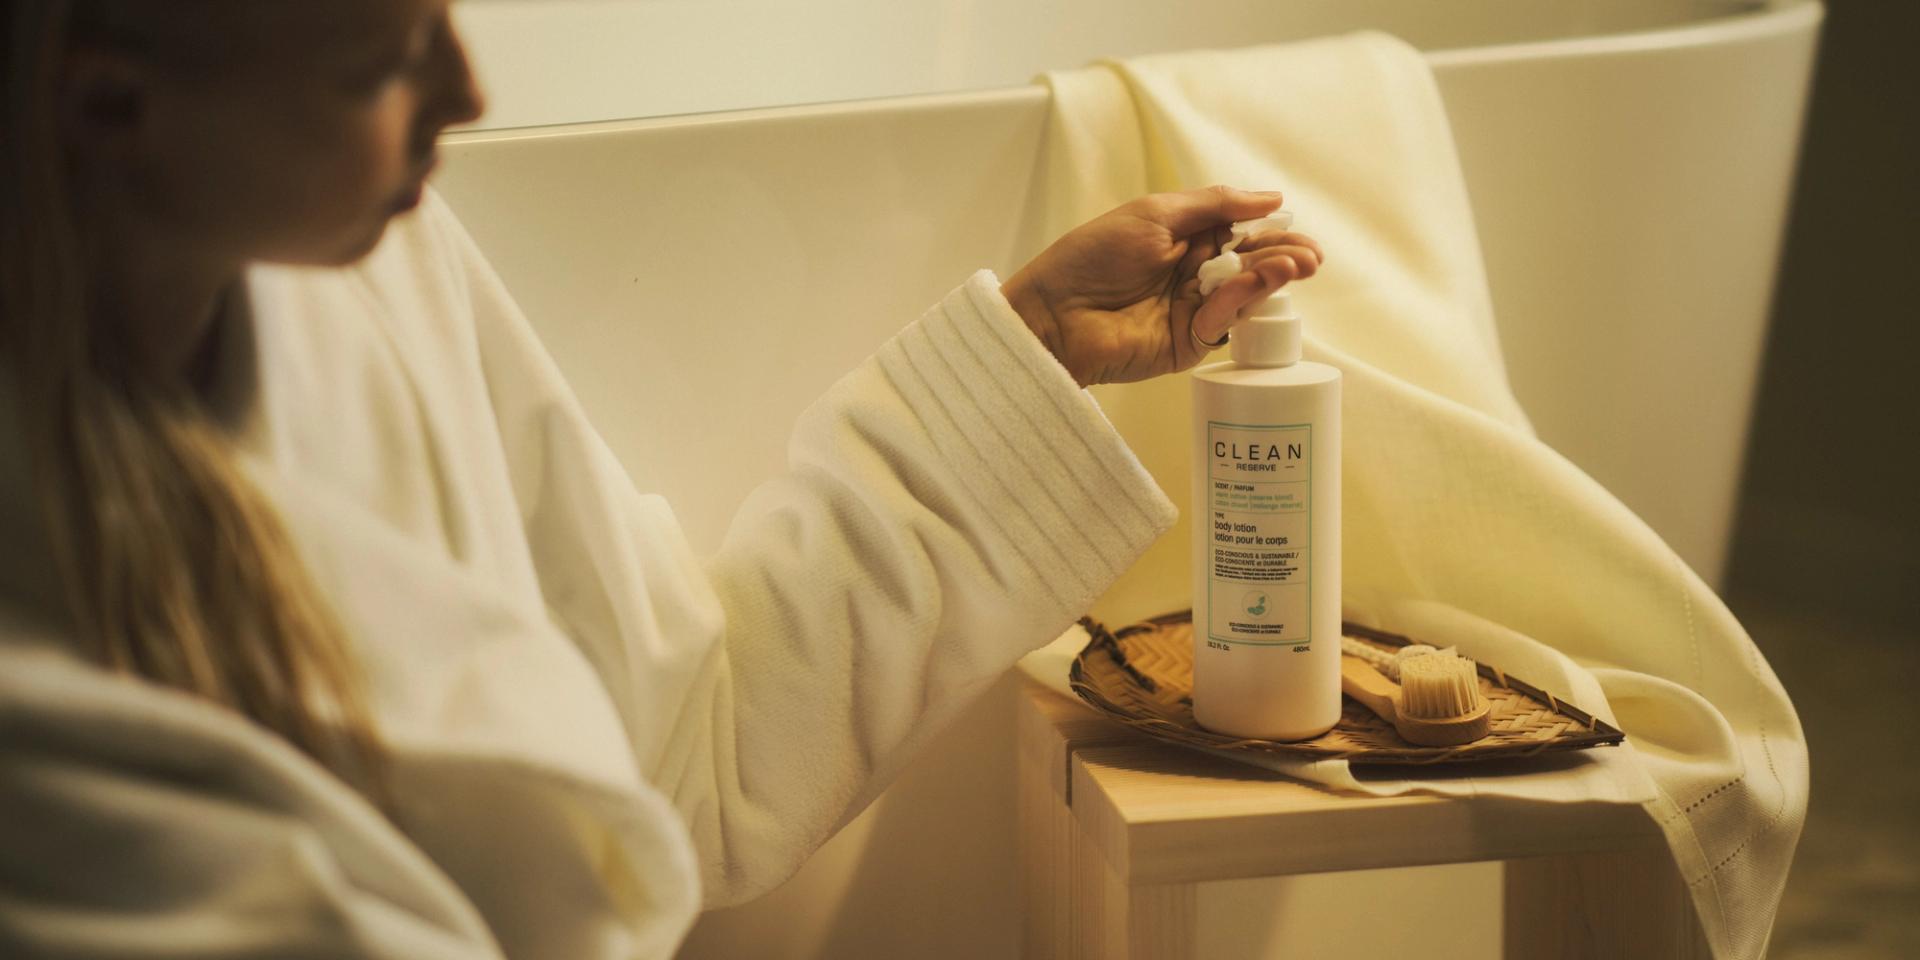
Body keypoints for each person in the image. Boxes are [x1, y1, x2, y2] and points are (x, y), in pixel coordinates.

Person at [0, 1, 1323, 956]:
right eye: (386, 64)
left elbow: (675, 744)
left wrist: (1035, 345)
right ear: (111, 105)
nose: (465, 98)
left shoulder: (369, 263)